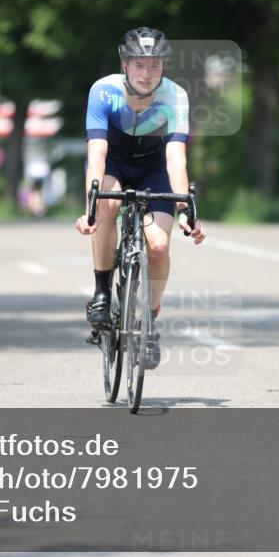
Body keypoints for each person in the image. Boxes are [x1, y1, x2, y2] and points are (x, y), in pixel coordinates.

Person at [75, 27, 207, 370]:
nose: (146, 74)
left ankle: (148, 322)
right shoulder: (103, 91)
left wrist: (184, 209)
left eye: (154, 66)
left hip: (154, 168)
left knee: (159, 245)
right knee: (108, 204)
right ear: (125, 65)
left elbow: (176, 157)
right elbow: (97, 152)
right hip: (114, 163)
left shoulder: (175, 96)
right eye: (138, 65)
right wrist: (90, 205)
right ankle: (103, 292)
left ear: (164, 67)